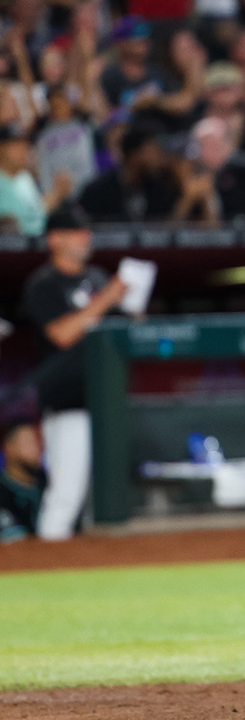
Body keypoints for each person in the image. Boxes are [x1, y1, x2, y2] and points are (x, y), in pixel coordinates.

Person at [19, 203, 127, 540]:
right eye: (76, 233)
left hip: (107, 402)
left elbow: (123, 328)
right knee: (66, 496)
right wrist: (107, 298)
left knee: (104, 504)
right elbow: (62, 335)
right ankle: (45, 572)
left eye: (86, 232)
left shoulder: (96, 278)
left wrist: (128, 299)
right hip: (68, 403)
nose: (85, 238)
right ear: (54, 239)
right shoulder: (43, 284)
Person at [0, 420, 45, 544]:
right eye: (29, 442)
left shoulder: (50, 484)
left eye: (39, 441)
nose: (38, 449)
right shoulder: (3, 492)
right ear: (9, 448)